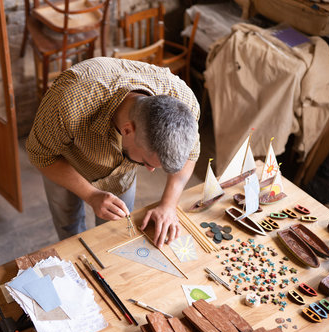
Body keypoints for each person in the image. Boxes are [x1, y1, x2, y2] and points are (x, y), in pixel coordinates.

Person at [26, 57, 200, 248]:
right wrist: (91, 195)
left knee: (114, 235)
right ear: (127, 130)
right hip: (65, 163)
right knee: (69, 227)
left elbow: (190, 155)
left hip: (119, 175)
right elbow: (40, 156)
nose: (150, 171)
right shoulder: (67, 103)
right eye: (145, 162)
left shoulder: (183, 103)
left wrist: (168, 205)